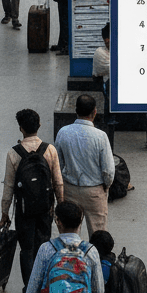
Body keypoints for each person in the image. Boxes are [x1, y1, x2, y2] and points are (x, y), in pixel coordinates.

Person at [1, 108, 65, 290]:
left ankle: (29, 287)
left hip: (24, 210)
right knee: (44, 245)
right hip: (46, 208)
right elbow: (58, 182)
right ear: (39, 126)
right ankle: (44, 284)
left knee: (27, 249)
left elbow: (8, 187)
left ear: (21, 128)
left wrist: (4, 213)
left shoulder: (13, 153)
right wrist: (60, 206)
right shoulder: (49, 150)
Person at [22, 201, 104, 293]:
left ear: (58, 221)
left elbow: (34, 285)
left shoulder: (47, 249)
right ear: (80, 222)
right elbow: (98, 287)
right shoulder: (90, 251)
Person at [54, 94, 114, 236]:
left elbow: (58, 165)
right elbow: (109, 171)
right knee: (98, 235)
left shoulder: (63, 133)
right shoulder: (101, 136)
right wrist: (105, 187)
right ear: (94, 112)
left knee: (70, 235)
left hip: (70, 190)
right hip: (94, 192)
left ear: (76, 111)